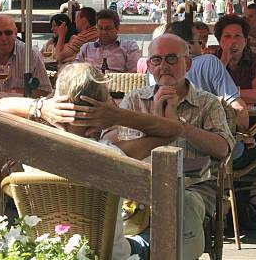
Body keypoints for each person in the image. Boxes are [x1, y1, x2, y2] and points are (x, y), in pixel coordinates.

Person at [85, 34, 233, 259]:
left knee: (183, 202)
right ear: (149, 65)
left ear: (188, 63)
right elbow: (110, 142)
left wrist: (179, 127)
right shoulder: (135, 99)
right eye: (156, 60)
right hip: (138, 186)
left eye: (172, 59)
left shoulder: (207, 102)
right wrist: (155, 122)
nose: (163, 66)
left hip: (195, 187)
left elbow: (223, 148)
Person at [0, 63, 161, 259]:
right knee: (158, 230)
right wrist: (118, 115)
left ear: (56, 99)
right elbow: (172, 131)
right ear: (106, 102)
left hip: (50, 251)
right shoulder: (114, 154)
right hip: (110, 255)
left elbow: (1, 106)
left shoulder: (34, 148)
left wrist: (39, 107)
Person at [215, 14, 256, 104]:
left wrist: (225, 92)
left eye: (237, 36)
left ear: (245, 40)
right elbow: (208, 93)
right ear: (219, 41)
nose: (233, 41)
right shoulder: (211, 60)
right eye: (227, 36)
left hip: (252, 116)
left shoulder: (255, 60)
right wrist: (224, 61)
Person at [74, 9, 140, 73]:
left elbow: (134, 72)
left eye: (108, 28)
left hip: (118, 82)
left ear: (117, 28)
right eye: (100, 28)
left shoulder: (129, 47)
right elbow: (75, 69)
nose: (103, 32)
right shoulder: (86, 48)